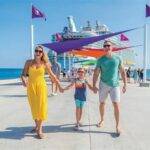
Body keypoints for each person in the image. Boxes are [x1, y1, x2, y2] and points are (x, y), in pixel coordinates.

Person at [21, 46, 63, 139]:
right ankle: (36, 126)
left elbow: (52, 75)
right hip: (31, 87)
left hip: (41, 87)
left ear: (42, 53)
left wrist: (59, 86)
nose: (38, 52)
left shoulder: (45, 63)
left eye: (40, 51)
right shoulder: (28, 62)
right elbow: (24, 74)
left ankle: (40, 130)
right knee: (34, 107)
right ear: (34, 52)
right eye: (36, 51)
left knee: (41, 107)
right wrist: (23, 80)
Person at [93, 40, 127, 135]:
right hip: (103, 84)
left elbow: (122, 71)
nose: (107, 47)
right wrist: (94, 85)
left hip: (115, 85)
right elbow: (96, 73)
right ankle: (102, 120)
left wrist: (125, 84)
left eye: (108, 45)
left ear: (112, 47)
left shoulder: (118, 58)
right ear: (103, 48)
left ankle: (117, 126)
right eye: (105, 46)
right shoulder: (100, 59)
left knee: (116, 104)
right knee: (102, 103)